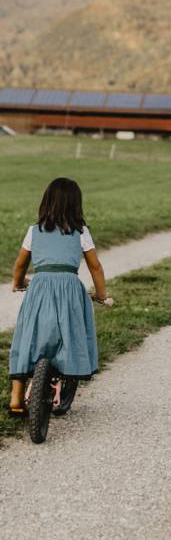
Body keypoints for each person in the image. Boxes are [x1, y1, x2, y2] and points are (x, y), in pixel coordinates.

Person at [8, 176, 111, 417]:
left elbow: (19, 265)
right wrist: (102, 295)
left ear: (46, 202)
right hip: (69, 287)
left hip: (40, 287)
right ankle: (66, 372)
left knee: (27, 336)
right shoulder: (81, 232)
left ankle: (15, 397)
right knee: (71, 332)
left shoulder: (34, 231)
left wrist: (19, 283)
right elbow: (95, 267)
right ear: (76, 204)